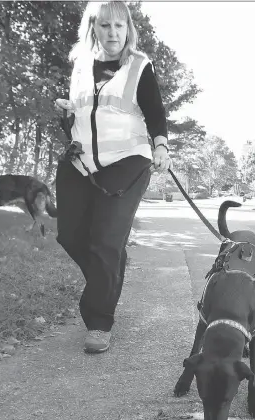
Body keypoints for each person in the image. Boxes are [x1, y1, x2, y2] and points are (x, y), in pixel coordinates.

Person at [55, 1, 172, 354]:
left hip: (128, 161)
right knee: (70, 236)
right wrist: (66, 111)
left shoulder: (139, 65)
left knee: (105, 242)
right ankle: (112, 270)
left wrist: (162, 147)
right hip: (81, 161)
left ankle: (99, 321)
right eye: (105, 26)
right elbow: (85, 113)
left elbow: (154, 110)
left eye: (119, 26)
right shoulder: (80, 65)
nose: (112, 33)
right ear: (93, 28)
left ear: (128, 29)